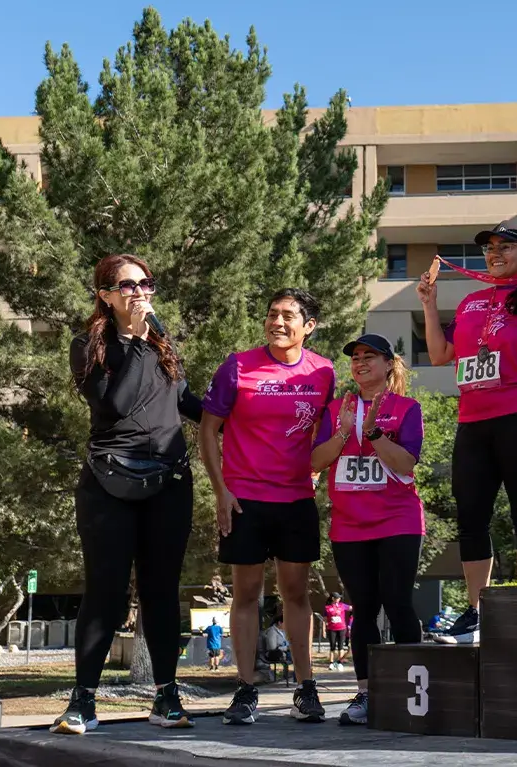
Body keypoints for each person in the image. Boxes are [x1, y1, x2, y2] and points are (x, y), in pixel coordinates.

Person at [55, 254, 199, 735]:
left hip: (169, 480)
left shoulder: (162, 342)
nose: (139, 292)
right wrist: (136, 340)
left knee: (162, 590)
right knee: (106, 590)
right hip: (109, 481)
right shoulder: (88, 346)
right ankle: (83, 700)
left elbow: (182, 401)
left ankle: (166, 695)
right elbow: (115, 403)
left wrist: (240, 414)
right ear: (105, 295)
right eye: (128, 285)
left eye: (145, 283)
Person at [418, 222, 517, 645]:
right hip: (472, 423)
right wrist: (429, 305)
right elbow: (440, 354)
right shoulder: (470, 302)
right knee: (471, 518)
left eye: (506, 246)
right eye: (489, 248)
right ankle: (475, 612)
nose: (495, 253)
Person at [199, 288, 336, 725]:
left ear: (308, 326)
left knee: (296, 594)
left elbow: (324, 428)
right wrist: (221, 491)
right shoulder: (237, 366)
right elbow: (207, 430)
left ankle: (306, 687)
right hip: (245, 499)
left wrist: (316, 472)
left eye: (288, 316)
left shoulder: (324, 371)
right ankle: (245, 689)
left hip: (296, 499)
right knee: (246, 594)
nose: (277, 322)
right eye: (272, 314)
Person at [312, 333, 427, 725]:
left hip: (398, 519)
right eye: (356, 357)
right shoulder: (336, 408)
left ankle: (415, 691)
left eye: (370, 356)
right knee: (364, 607)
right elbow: (315, 460)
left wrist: (375, 432)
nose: (360, 363)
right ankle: (365, 694)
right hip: (350, 525)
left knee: (397, 602)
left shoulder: (407, 408)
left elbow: (406, 464)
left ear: (388, 364)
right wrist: (343, 432)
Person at [322, 593, 352, 670]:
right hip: (331, 629)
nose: (339, 599)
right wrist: (324, 630)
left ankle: (339, 662)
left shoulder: (342, 605)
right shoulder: (327, 607)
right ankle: (331, 663)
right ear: (333, 598)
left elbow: (351, 608)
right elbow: (324, 620)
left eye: (339, 598)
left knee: (341, 646)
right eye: (337, 598)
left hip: (342, 628)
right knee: (332, 646)